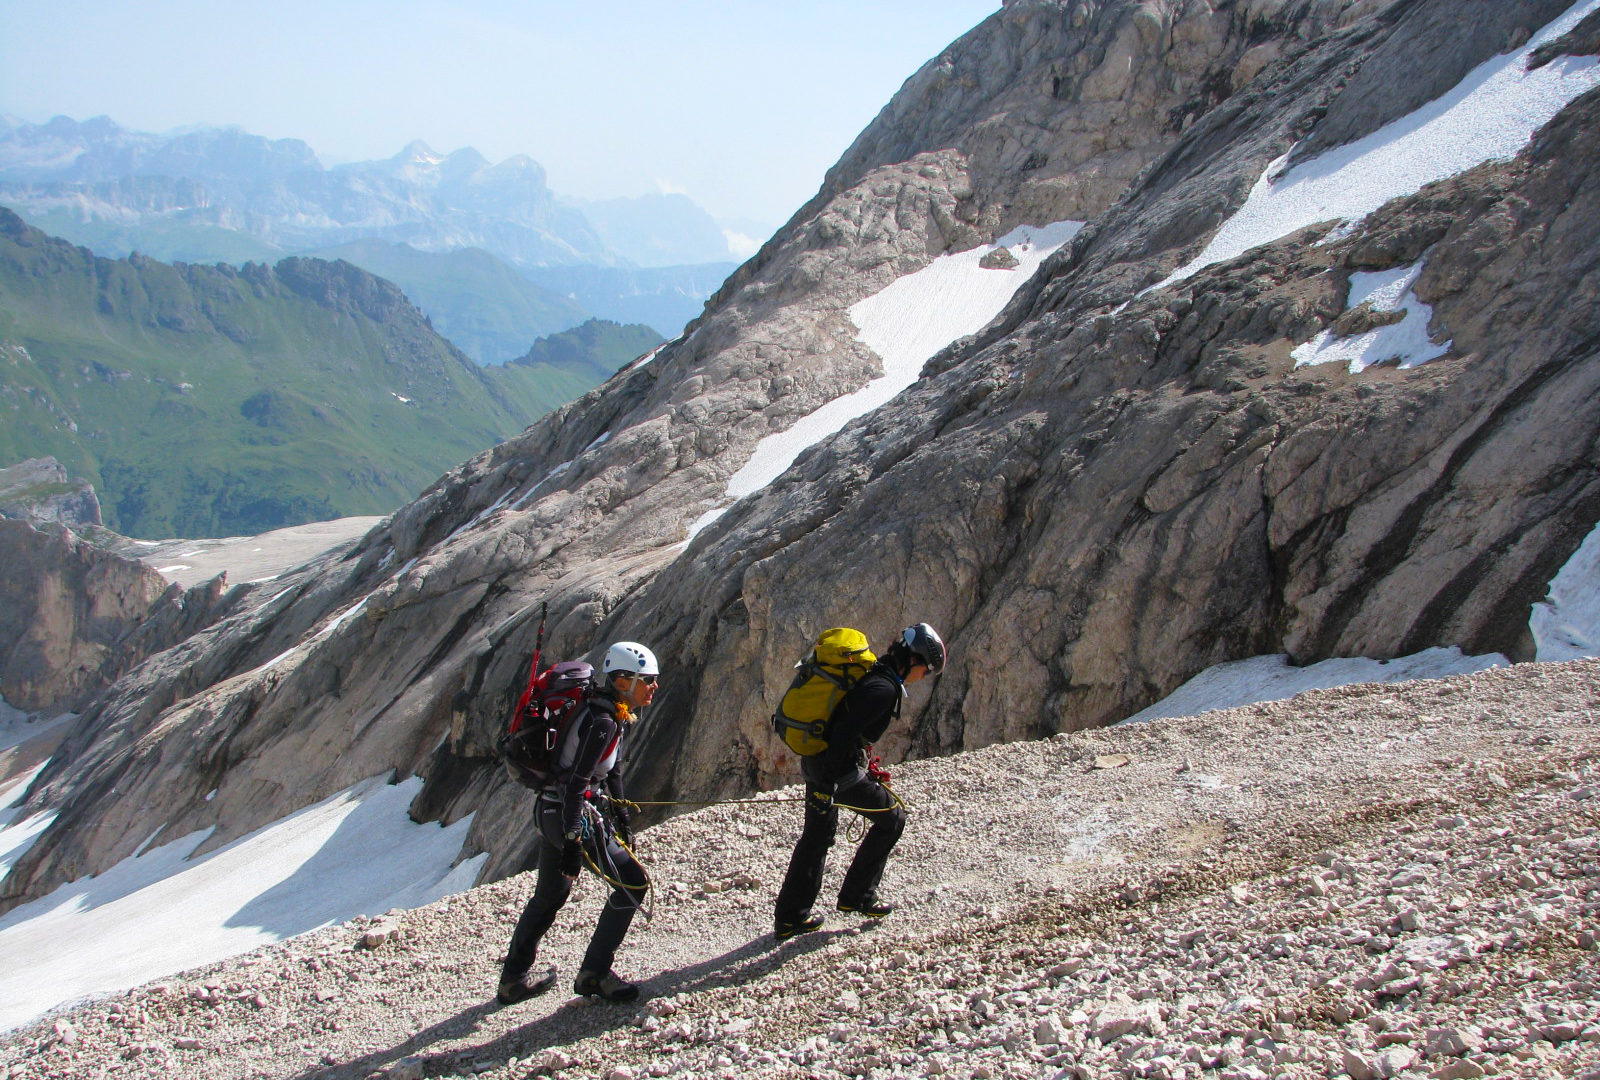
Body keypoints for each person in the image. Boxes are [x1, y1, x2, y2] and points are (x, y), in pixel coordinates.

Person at [496, 641, 657, 1005]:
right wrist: (573, 839)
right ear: (623, 681)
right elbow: (579, 782)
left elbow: (611, 770)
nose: (653, 687)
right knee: (633, 883)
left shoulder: (604, 712)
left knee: (550, 895)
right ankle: (595, 974)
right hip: (572, 816)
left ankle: (513, 980)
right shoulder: (603, 720)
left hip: (549, 812)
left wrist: (621, 818)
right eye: (647, 680)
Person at [772, 622, 946, 941]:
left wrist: (825, 783)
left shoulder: (875, 672)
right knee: (892, 819)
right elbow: (844, 734)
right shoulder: (884, 687)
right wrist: (827, 787)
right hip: (835, 772)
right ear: (915, 661)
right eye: (926, 670)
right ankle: (859, 897)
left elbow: (842, 728)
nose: (924, 677)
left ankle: (789, 918)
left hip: (817, 761)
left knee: (817, 837)